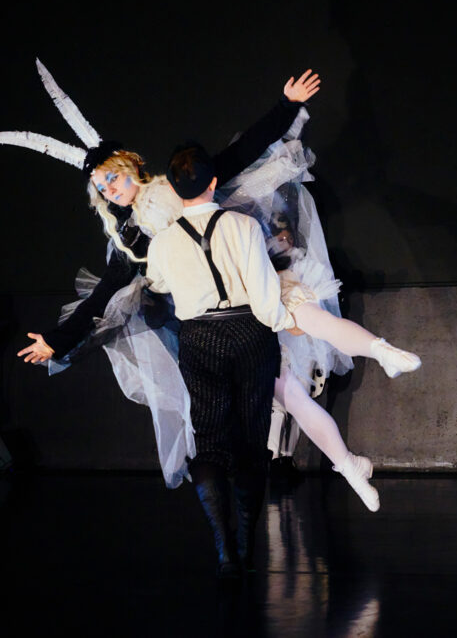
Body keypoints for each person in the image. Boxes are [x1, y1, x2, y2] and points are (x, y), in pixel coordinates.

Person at [6, 62, 418, 495]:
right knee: (289, 396)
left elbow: (238, 156)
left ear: (131, 165)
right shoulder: (131, 238)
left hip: (249, 282)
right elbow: (104, 296)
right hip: (217, 322)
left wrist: (286, 107)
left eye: (112, 176)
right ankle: (348, 464)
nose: (109, 188)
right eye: (101, 186)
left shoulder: (180, 184)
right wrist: (57, 339)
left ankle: (381, 351)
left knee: (314, 320)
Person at [147, 144, 322, 576]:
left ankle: (224, 549)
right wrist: (287, 320)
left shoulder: (164, 240)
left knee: (208, 441)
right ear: (212, 184)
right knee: (250, 440)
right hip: (248, 331)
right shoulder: (242, 225)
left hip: (199, 336)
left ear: (172, 187)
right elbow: (264, 297)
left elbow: (158, 282)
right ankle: (244, 544)